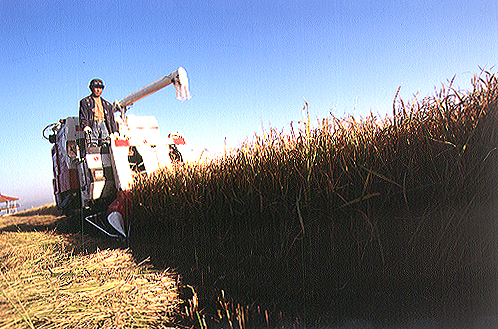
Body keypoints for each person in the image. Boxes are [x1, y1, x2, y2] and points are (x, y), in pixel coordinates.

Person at [79, 78, 118, 144]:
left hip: (104, 124)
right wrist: (85, 126)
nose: (98, 90)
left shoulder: (107, 105)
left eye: (100, 88)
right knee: (92, 144)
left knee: (106, 143)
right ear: (91, 88)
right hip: (92, 124)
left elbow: (111, 120)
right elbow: (83, 116)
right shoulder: (85, 102)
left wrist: (115, 131)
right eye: (96, 87)